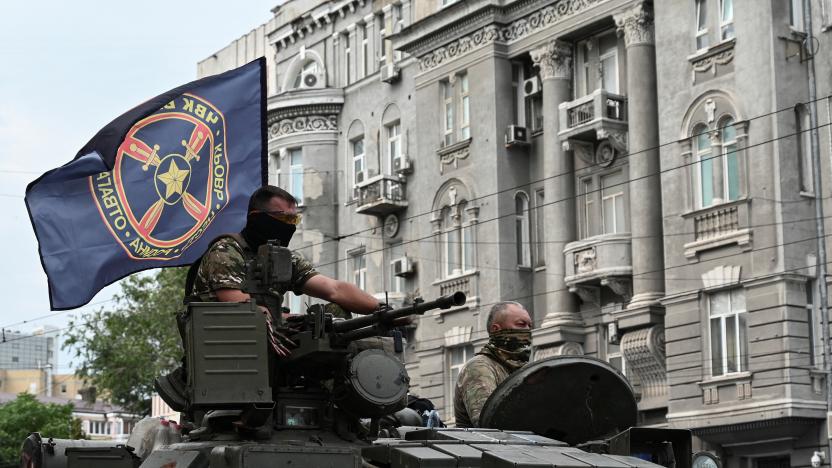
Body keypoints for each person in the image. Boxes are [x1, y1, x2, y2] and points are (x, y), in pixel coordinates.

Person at [156, 185, 381, 410]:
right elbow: (234, 299)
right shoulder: (225, 252)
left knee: (334, 317)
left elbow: (334, 289)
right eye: (283, 218)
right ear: (257, 217)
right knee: (258, 318)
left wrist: (381, 310)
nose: (288, 227)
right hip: (232, 350)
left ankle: (337, 398)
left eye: (294, 220)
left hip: (270, 344)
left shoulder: (283, 259)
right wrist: (277, 319)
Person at [453, 301, 532, 428]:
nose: (528, 331)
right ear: (496, 329)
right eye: (521, 325)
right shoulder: (479, 367)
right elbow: (488, 422)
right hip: (486, 446)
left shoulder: (520, 370)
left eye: (529, 326)